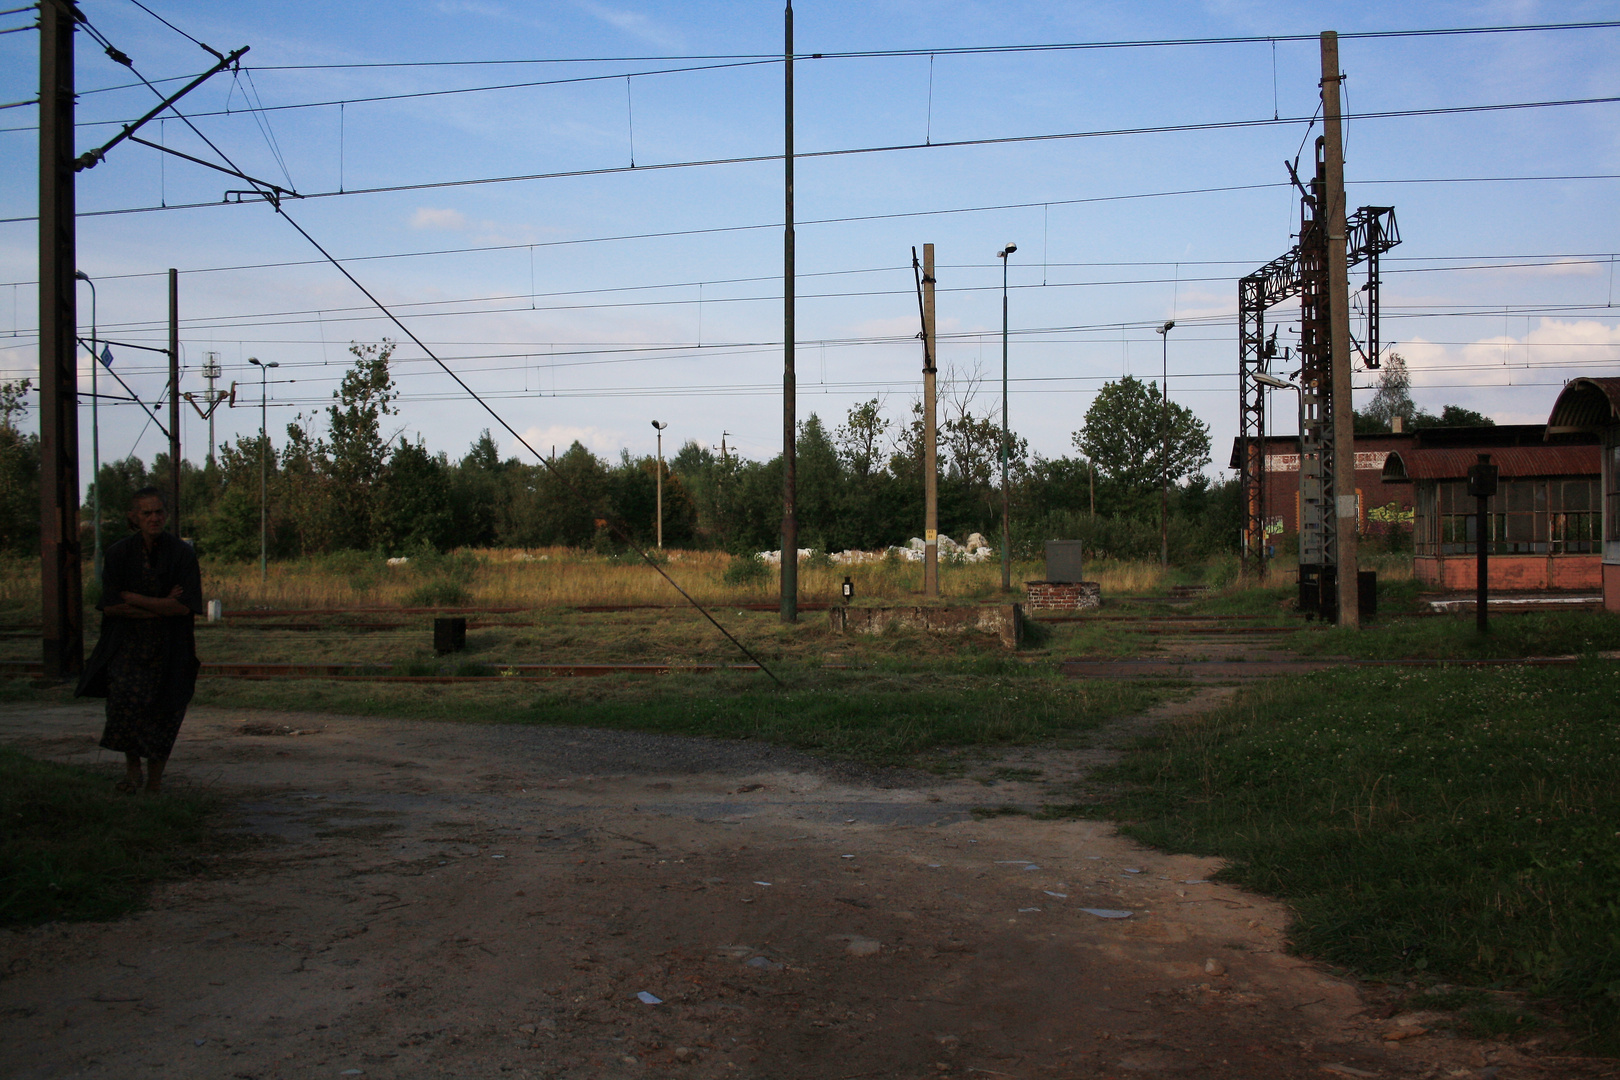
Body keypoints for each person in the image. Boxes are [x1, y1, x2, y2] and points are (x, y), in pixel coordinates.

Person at [76, 487, 203, 794]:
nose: (154, 518)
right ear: (134, 517)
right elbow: (111, 606)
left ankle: (155, 781)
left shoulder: (182, 554)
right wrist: (160, 606)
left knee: (166, 712)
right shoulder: (118, 554)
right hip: (127, 647)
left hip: (171, 648)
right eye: (146, 513)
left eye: (159, 511)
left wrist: (134, 598)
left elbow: (183, 607)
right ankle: (133, 773)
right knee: (125, 708)